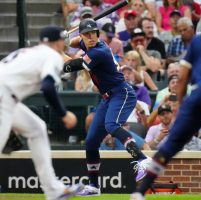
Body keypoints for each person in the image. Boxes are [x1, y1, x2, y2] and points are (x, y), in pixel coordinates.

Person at [130, 1, 201, 199]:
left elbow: (181, 77)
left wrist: (180, 105)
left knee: (171, 145)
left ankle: (139, 192)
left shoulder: (200, 39)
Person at [0, 25, 83, 200]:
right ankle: (53, 190)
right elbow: (47, 86)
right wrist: (63, 113)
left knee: (37, 128)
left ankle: (53, 190)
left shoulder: (30, 51)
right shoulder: (51, 55)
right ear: (59, 42)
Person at [64, 18, 151, 196]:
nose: (90, 37)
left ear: (98, 34)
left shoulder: (99, 50)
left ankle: (143, 160)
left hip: (121, 92)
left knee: (112, 125)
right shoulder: (87, 42)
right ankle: (94, 186)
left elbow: (71, 66)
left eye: (93, 33)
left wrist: (55, 48)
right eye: (86, 34)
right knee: (91, 142)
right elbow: (75, 42)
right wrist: (66, 38)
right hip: (107, 98)